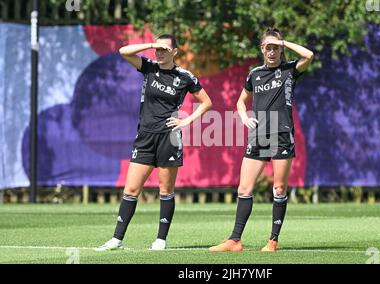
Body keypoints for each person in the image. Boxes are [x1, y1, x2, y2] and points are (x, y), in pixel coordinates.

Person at [95, 34, 212, 251]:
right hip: (145, 136)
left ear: (175, 52)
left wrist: (185, 120)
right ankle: (116, 239)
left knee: (165, 190)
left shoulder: (184, 76)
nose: (159, 53)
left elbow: (207, 102)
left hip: (169, 137)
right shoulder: (149, 67)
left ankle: (161, 240)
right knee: (131, 189)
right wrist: (150, 44)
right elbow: (123, 52)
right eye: (157, 49)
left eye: (164, 49)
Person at [209, 28, 314, 252]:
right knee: (244, 188)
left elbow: (309, 56)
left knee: (279, 188)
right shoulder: (255, 74)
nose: (272, 51)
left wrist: (283, 41)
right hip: (259, 135)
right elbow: (240, 101)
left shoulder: (289, 70)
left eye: (276, 47)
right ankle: (234, 241)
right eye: (268, 47)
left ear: (280, 49)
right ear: (262, 49)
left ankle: (272, 241)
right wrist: (243, 115)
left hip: (281, 134)